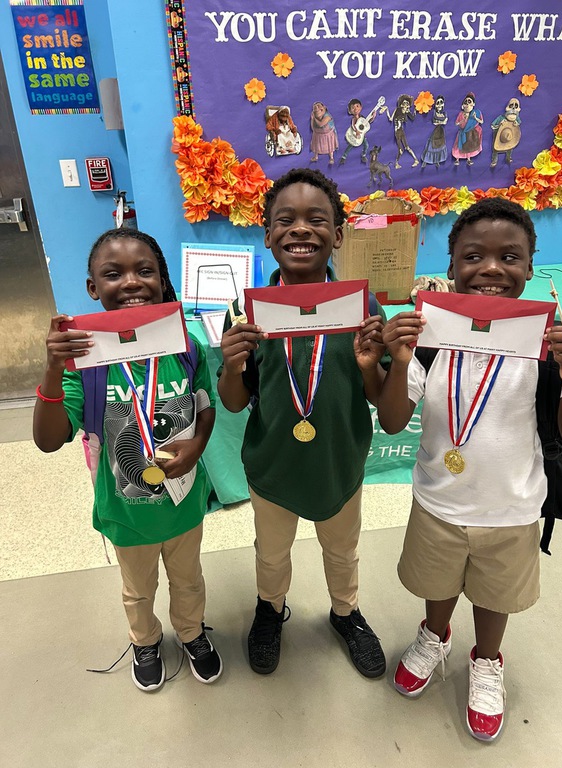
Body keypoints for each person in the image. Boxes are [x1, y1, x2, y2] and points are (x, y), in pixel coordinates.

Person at [376, 197, 562, 741]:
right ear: (451, 267)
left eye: (509, 257)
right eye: (473, 257)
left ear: (530, 268)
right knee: (437, 582)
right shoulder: (430, 340)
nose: (490, 269)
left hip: (512, 508)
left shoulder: (545, 346)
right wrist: (400, 358)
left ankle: (487, 659)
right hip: (439, 501)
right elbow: (392, 422)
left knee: (494, 596)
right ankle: (434, 634)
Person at [33, 228, 222, 692]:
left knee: (189, 580)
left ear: (162, 280)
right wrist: (54, 370)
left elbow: (204, 404)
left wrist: (198, 445)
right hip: (127, 510)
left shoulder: (186, 345)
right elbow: (48, 439)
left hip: (182, 502)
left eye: (145, 271)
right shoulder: (85, 360)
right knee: (138, 589)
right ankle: (145, 640)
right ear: (92, 287)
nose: (132, 282)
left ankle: (192, 632)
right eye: (113, 274)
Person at [218, 168, 387, 678]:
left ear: (338, 235)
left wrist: (373, 364)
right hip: (273, 463)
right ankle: (270, 609)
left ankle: (346, 612)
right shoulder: (245, 311)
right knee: (271, 554)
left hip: (339, 460)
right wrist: (230, 364)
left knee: (343, 549)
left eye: (317, 219)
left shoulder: (363, 306)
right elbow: (233, 403)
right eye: (285, 219)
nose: (300, 229)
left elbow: (377, 391)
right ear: (267, 235)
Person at [452, 92, 483, 166]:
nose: (467, 104)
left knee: (469, 146)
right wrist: (462, 121)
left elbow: (481, 121)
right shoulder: (461, 114)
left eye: (469, 102)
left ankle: (469, 159)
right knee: (459, 146)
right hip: (462, 132)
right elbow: (456, 123)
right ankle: (457, 159)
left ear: (473, 104)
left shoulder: (476, 112)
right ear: (463, 105)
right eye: (465, 102)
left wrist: (475, 117)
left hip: (471, 133)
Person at [310, 101, 339, 165]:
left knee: (330, 146)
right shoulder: (314, 117)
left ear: (324, 108)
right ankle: (315, 157)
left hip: (328, 134)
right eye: (315, 108)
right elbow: (312, 127)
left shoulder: (327, 116)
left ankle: (331, 158)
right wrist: (313, 119)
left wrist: (314, 118)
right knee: (316, 146)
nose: (317, 108)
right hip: (317, 134)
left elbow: (321, 124)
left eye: (319, 106)